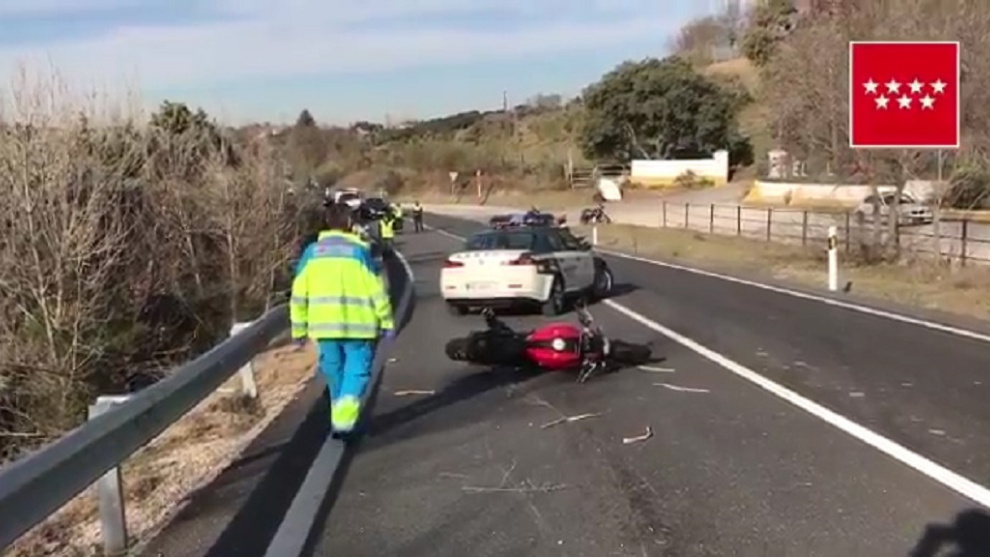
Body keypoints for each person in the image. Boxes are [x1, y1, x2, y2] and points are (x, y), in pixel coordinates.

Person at [291, 203, 394, 438]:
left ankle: (340, 419)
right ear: (349, 223)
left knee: (334, 371)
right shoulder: (359, 252)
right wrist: (386, 321)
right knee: (356, 373)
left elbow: (298, 294)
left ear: (327, 222)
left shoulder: (311, 254)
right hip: (360, 326)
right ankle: (344, 420)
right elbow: (376, 290)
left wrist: (298, 328)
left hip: (324, 326)